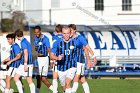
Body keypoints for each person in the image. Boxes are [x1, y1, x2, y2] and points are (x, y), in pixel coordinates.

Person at [69, 24, 97, 93]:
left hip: (80, 61)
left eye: (71, 30)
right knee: (82, 79)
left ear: (75, 30)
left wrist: (92, 58)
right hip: (73, 62)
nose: (69, 32)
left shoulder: (80, 38)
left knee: (76, 77)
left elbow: (87, 48)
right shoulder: (69, 39)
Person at [50, 26, 78, 93]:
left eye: (67, 33)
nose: (66, 35)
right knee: (64, 86)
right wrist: (57, 58)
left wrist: (90, 58)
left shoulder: (75, 42)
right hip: (61, 68)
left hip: (72, 66)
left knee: (67, 82)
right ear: (62, 33)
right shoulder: (57, 43)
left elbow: (84, 48)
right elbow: (51, 55)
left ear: (70, 33)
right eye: (64, 33)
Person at [33, 26, 53, 93]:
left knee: (41, 78)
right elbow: (36, 47)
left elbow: (49, 50)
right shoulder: (35, 38)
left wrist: (51, 60)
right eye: (35, 32)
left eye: (37, 32)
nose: (36, 34)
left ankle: (55, 91)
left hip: (44, 59)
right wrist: (36, 48)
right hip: (39, 59)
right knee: (40, 78)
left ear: (40, 31)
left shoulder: (45, 39)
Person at [51, 24, 63, 93]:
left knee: (55, 78)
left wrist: (53, 60)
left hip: (57, 59)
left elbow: (53, 50)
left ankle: (55, 91)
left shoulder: (54, 38)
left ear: (56, 31)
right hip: (65, 59)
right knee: (64, 78)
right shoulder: (66, 37)